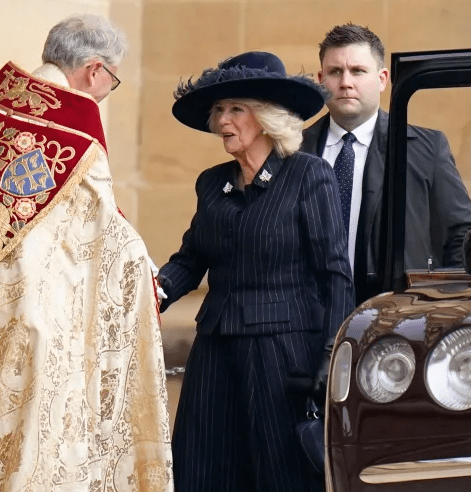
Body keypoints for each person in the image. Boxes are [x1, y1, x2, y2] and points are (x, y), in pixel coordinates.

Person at [0, 14, 173, 491]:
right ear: (94, 70)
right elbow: (101, 220)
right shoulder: (75, 120)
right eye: (112, 80)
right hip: (31, 306)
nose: (107, 91)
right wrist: (142, 267)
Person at [157, 51, 355, 492]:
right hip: (214, 352)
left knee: (278, 472)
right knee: (202, 468)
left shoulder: (309, 175)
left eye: (235, 109)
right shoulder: (211, 182)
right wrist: (147, 292)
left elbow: (335, 274)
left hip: (283, 355)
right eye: (219, 110)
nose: (222, 120)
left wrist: (331, 355)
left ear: (265, 117)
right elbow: (191, 259)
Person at [302, 23, 471, 305]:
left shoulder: (427, 149)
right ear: (321, 79)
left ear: (382, 79)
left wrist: (438, 304)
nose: (346, 82)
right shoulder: (291, 150)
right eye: (335, 72)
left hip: (396, 318)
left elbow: (462, 235)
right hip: (304, 322)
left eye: (358, 71)